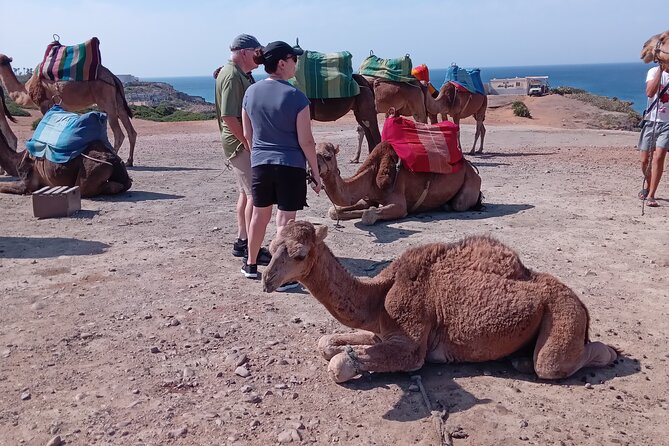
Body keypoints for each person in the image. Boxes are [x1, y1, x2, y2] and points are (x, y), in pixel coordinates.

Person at [241, 41, 322, 290]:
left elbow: (247, 134)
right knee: (285, 222)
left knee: (258, 215)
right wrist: (316, 174)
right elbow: (306, 141)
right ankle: (281, 277)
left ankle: (251, 265)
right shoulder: (297, 97)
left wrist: (260, 154)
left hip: (261, 163)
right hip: (290, 166)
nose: (296, 64)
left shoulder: (250, 93)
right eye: (294, 59)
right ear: (282, 63)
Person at [215, 34, 271, 264]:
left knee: (244, 194)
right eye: (257, 51)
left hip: (237, 142)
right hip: (239, 143)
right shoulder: (231, 76)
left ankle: (242, 241)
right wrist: (247, 142)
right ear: (245, 52)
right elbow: (229, 116)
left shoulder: (240, 74)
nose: (259, 56)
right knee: (253, 196)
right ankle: (252, 249)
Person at [639, 62, 669, 207]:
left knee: (658, 157)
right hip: (651, 121)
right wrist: (660, 71)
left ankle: (651, 195)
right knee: (645, 160)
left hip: (668, 123)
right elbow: (650, 92)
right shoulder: (653, 72)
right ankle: (649, 186)